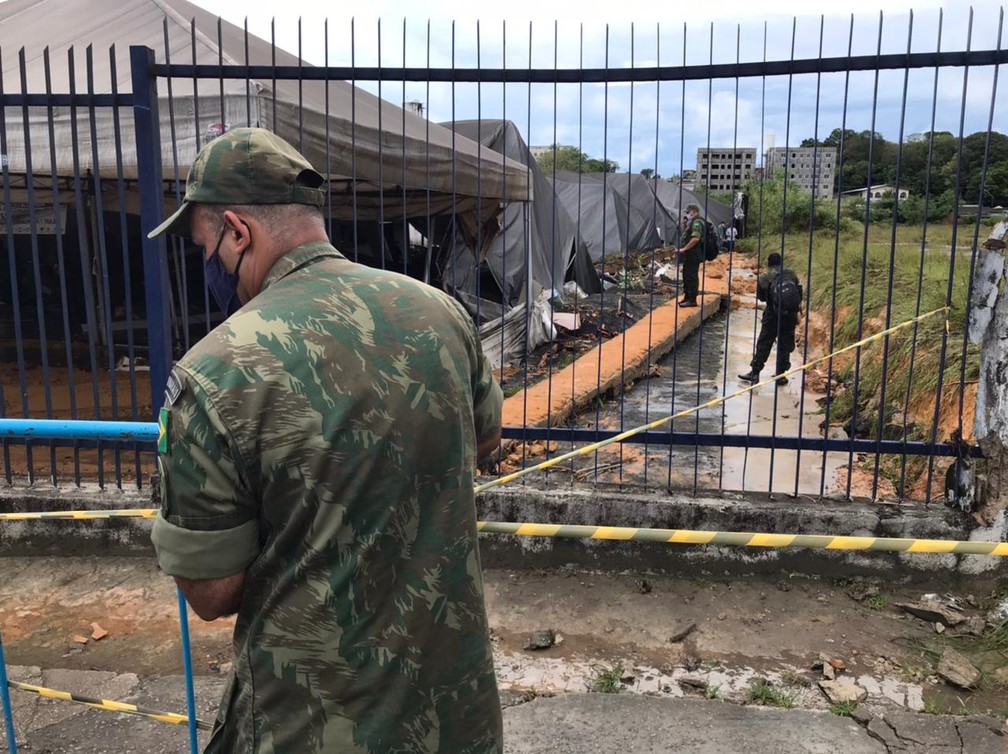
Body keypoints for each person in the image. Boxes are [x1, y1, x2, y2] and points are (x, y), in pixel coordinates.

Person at [147, 127, 504, 753]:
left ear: (238, 231)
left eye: (205, 248)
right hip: (457, 716)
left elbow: (210, 592)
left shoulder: (214, 373)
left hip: (312, 727)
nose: (206, 268)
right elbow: (483, 444)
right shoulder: (441, 313)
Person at [738, 251, 802, 387]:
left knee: (764, 343)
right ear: (781, 262)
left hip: (772, 315)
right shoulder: (790, 273)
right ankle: (781, 375)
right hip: (789, 316)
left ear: (769, 263)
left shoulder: (764, 277)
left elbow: (761, 297)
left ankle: (755, 373)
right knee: (785, 344)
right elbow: (798, 290)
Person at [675, 203, 705, 308]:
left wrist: (684, 249)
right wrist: (685, 224)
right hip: (690, 254)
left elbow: (695, 238)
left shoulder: (697, 222)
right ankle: (687, 297)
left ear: (693, 211)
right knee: (686, 275)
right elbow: (686, 235)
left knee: (691, 276)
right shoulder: (692, 223)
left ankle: (692, 299)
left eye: (688, 212)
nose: (687, 214)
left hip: (694, 254)